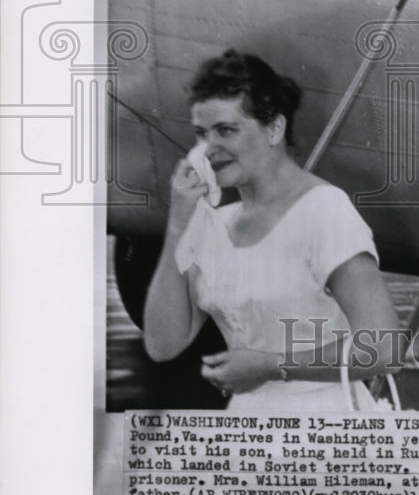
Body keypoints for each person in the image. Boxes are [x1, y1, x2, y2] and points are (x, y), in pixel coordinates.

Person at [144, 49, 403, 410]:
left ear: (274, 129)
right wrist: (178, 226)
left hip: (324, 421)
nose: (208, 150)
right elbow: (162, 345)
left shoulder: (324, 209)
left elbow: (383, 347)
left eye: (226, 130)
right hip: (246, 423)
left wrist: (271, 366)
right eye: (202, 134)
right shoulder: (215, 224)